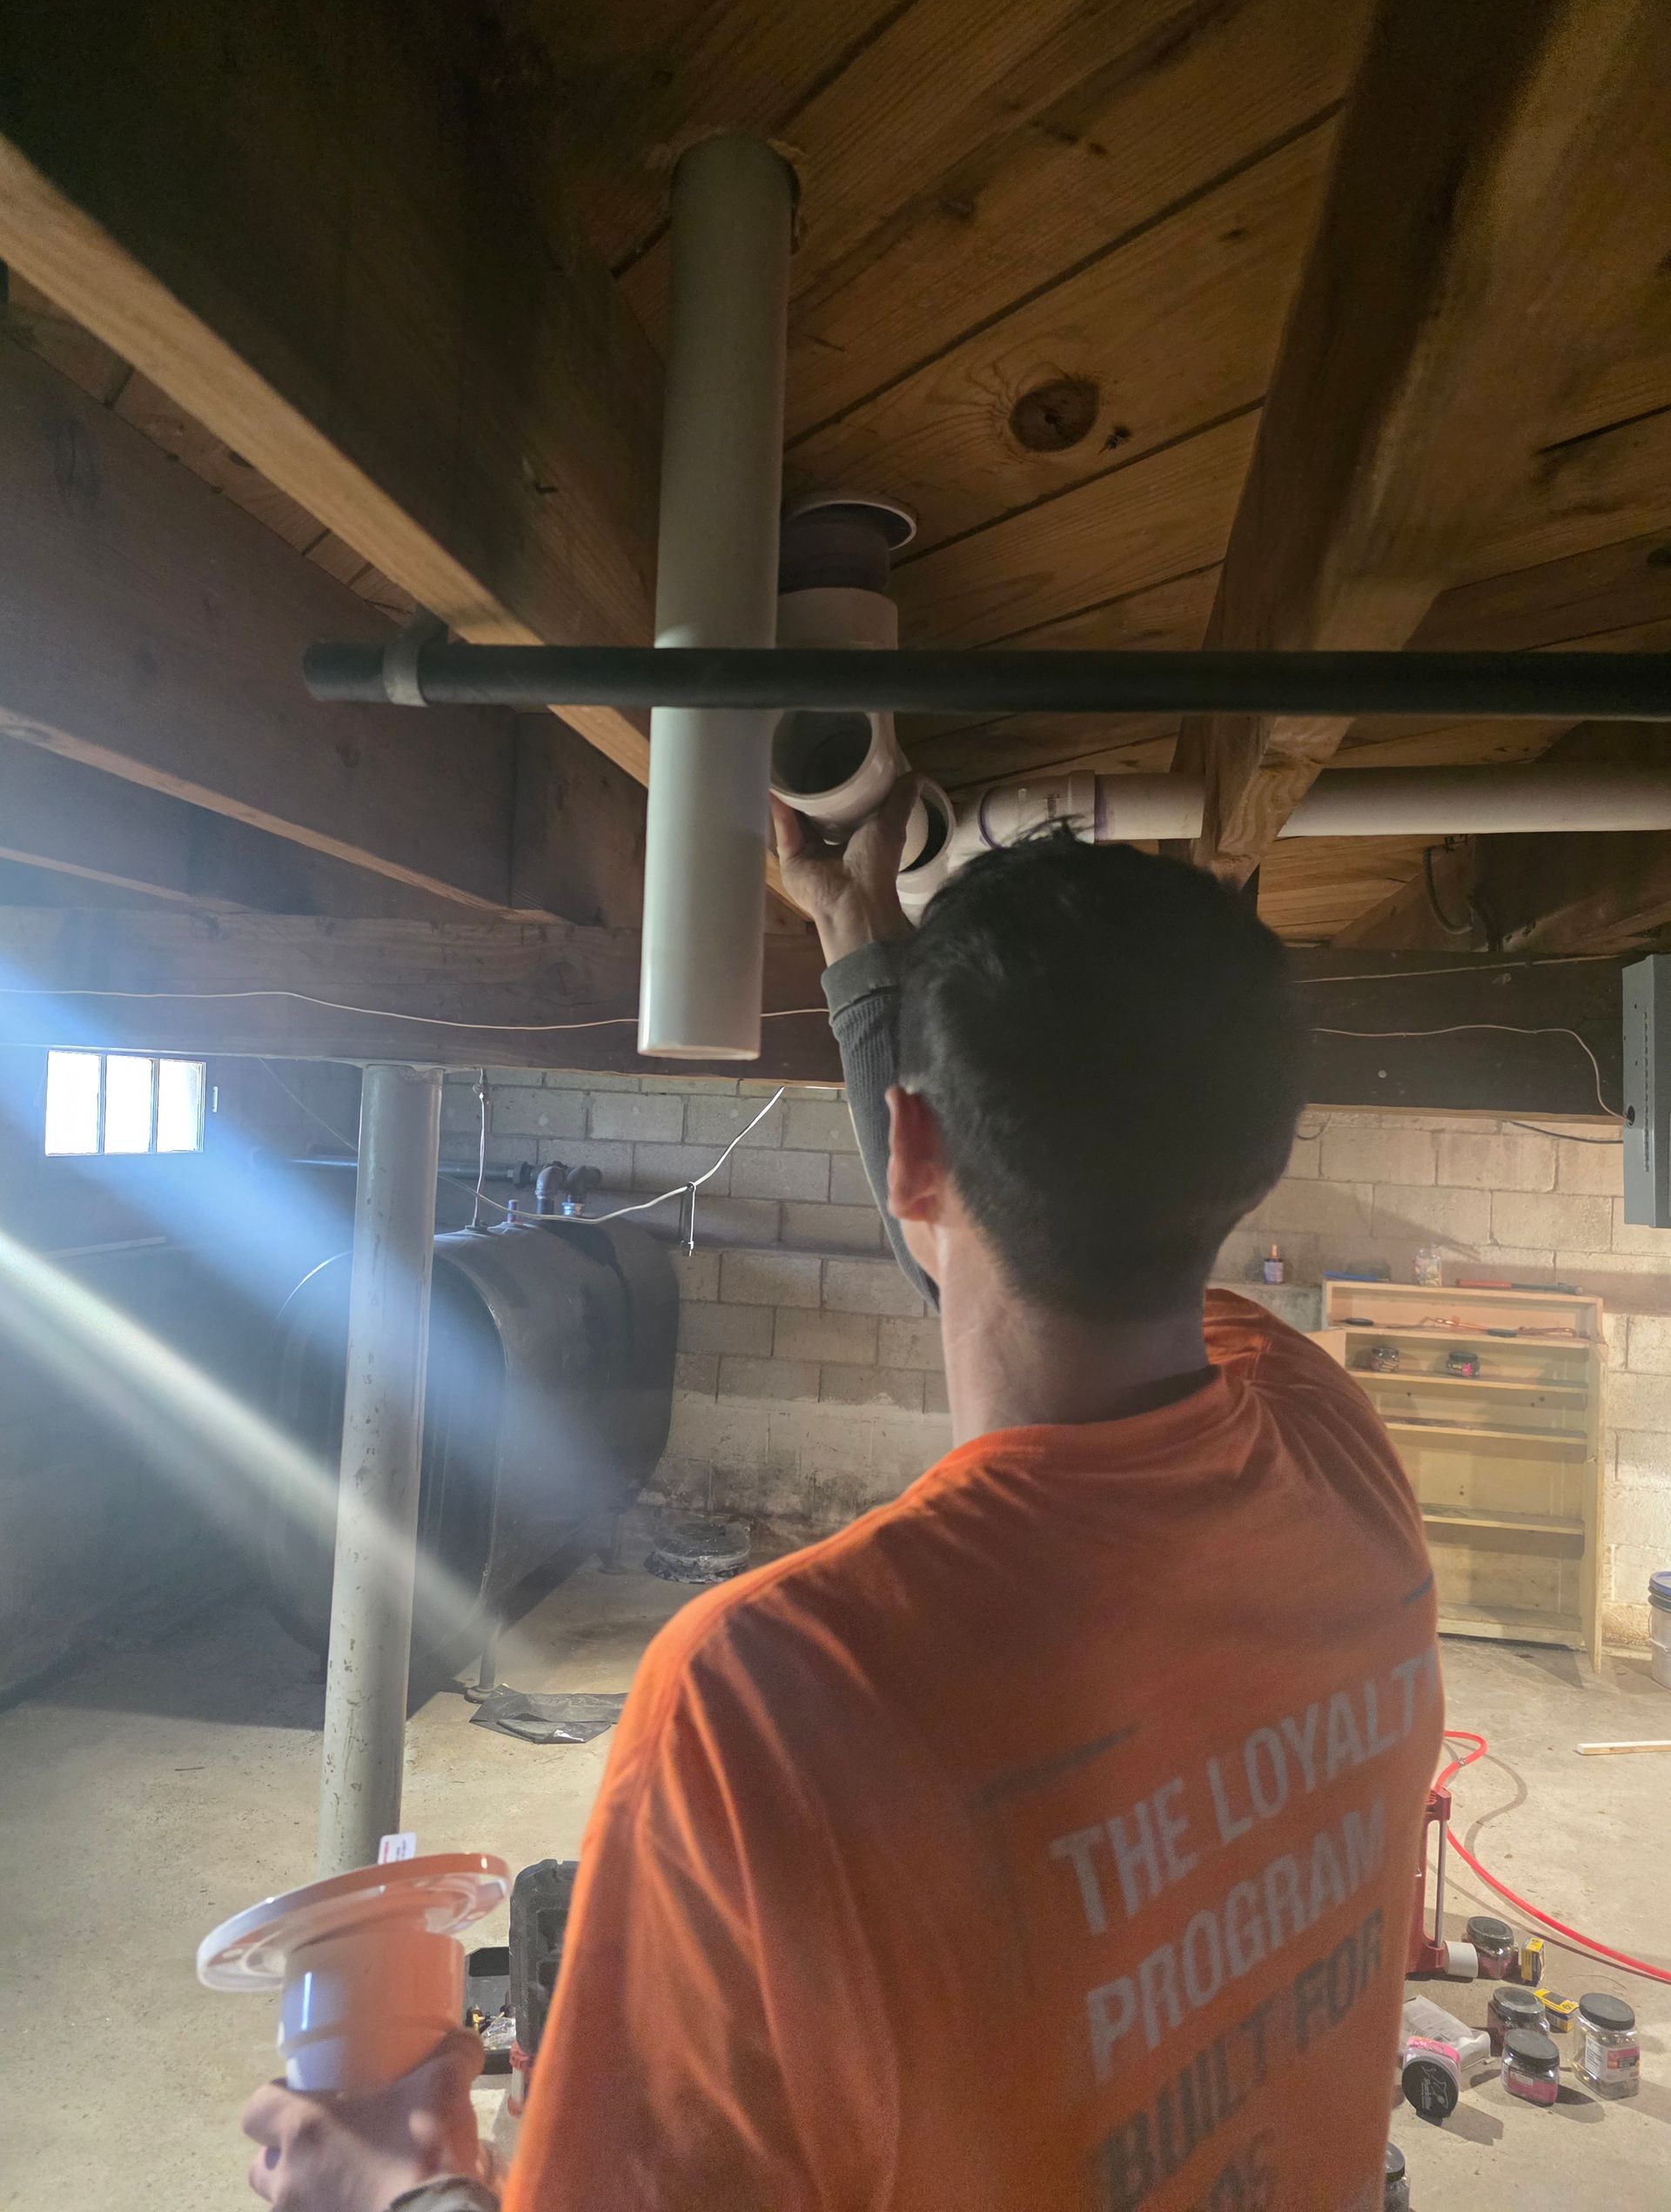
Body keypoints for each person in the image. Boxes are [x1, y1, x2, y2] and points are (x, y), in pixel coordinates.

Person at [245, 787, 1440, 2212]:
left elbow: (949, 1221)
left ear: (914, 1148)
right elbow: (958, 1231)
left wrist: (389, 2189)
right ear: (1256, 1158)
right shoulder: (1332, 1441)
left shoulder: (767, 1695)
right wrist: (857, 927)